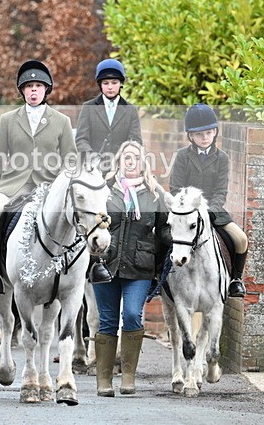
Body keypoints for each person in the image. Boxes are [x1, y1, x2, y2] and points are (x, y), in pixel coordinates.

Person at [0, 60, 77, 296]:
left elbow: (71, 160)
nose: (33, 90)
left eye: (38, 86)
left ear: (46, 90)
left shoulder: (61, 121)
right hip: (14, 185)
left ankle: (92, 267)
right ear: (22, 90)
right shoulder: (7, 120)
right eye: (29, 86)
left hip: (49, 186)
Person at [94, 140, 171, 397]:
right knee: (107, 320)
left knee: (131, 315)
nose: (130, 161)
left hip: (140, 267)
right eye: (126, 157)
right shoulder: (104, 191)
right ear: (119, 161)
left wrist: (158, 266)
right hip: (106, 264)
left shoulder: (154, 194)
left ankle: (128, 377)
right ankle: (104, 381)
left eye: (135, 157)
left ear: (142, 163)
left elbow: (163, 233)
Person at [169, 103, 248, 297]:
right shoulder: (181, 156)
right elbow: (175, 188)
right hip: (185, 212)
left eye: (208, 133)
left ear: (215, 132)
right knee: (159, 235)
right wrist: (190, 209)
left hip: (213, 211)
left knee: (241, 239)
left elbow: (221, 191)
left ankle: (236, 280)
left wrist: (209, 210)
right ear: (191, 136)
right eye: (199, 134)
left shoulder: (222, 158)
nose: (204, 138)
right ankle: (156, 275)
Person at [75, 58, 143, 284]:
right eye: (105, 83)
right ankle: (93, 263)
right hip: (94, 171)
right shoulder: (88, 108)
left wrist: (123, 161)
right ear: (100, 85)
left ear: (120, 84)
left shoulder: (130, 110)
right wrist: (91, 155)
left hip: (121, 172)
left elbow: (136, 141)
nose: (110, 87)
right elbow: (81, 138)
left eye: (114, 82)